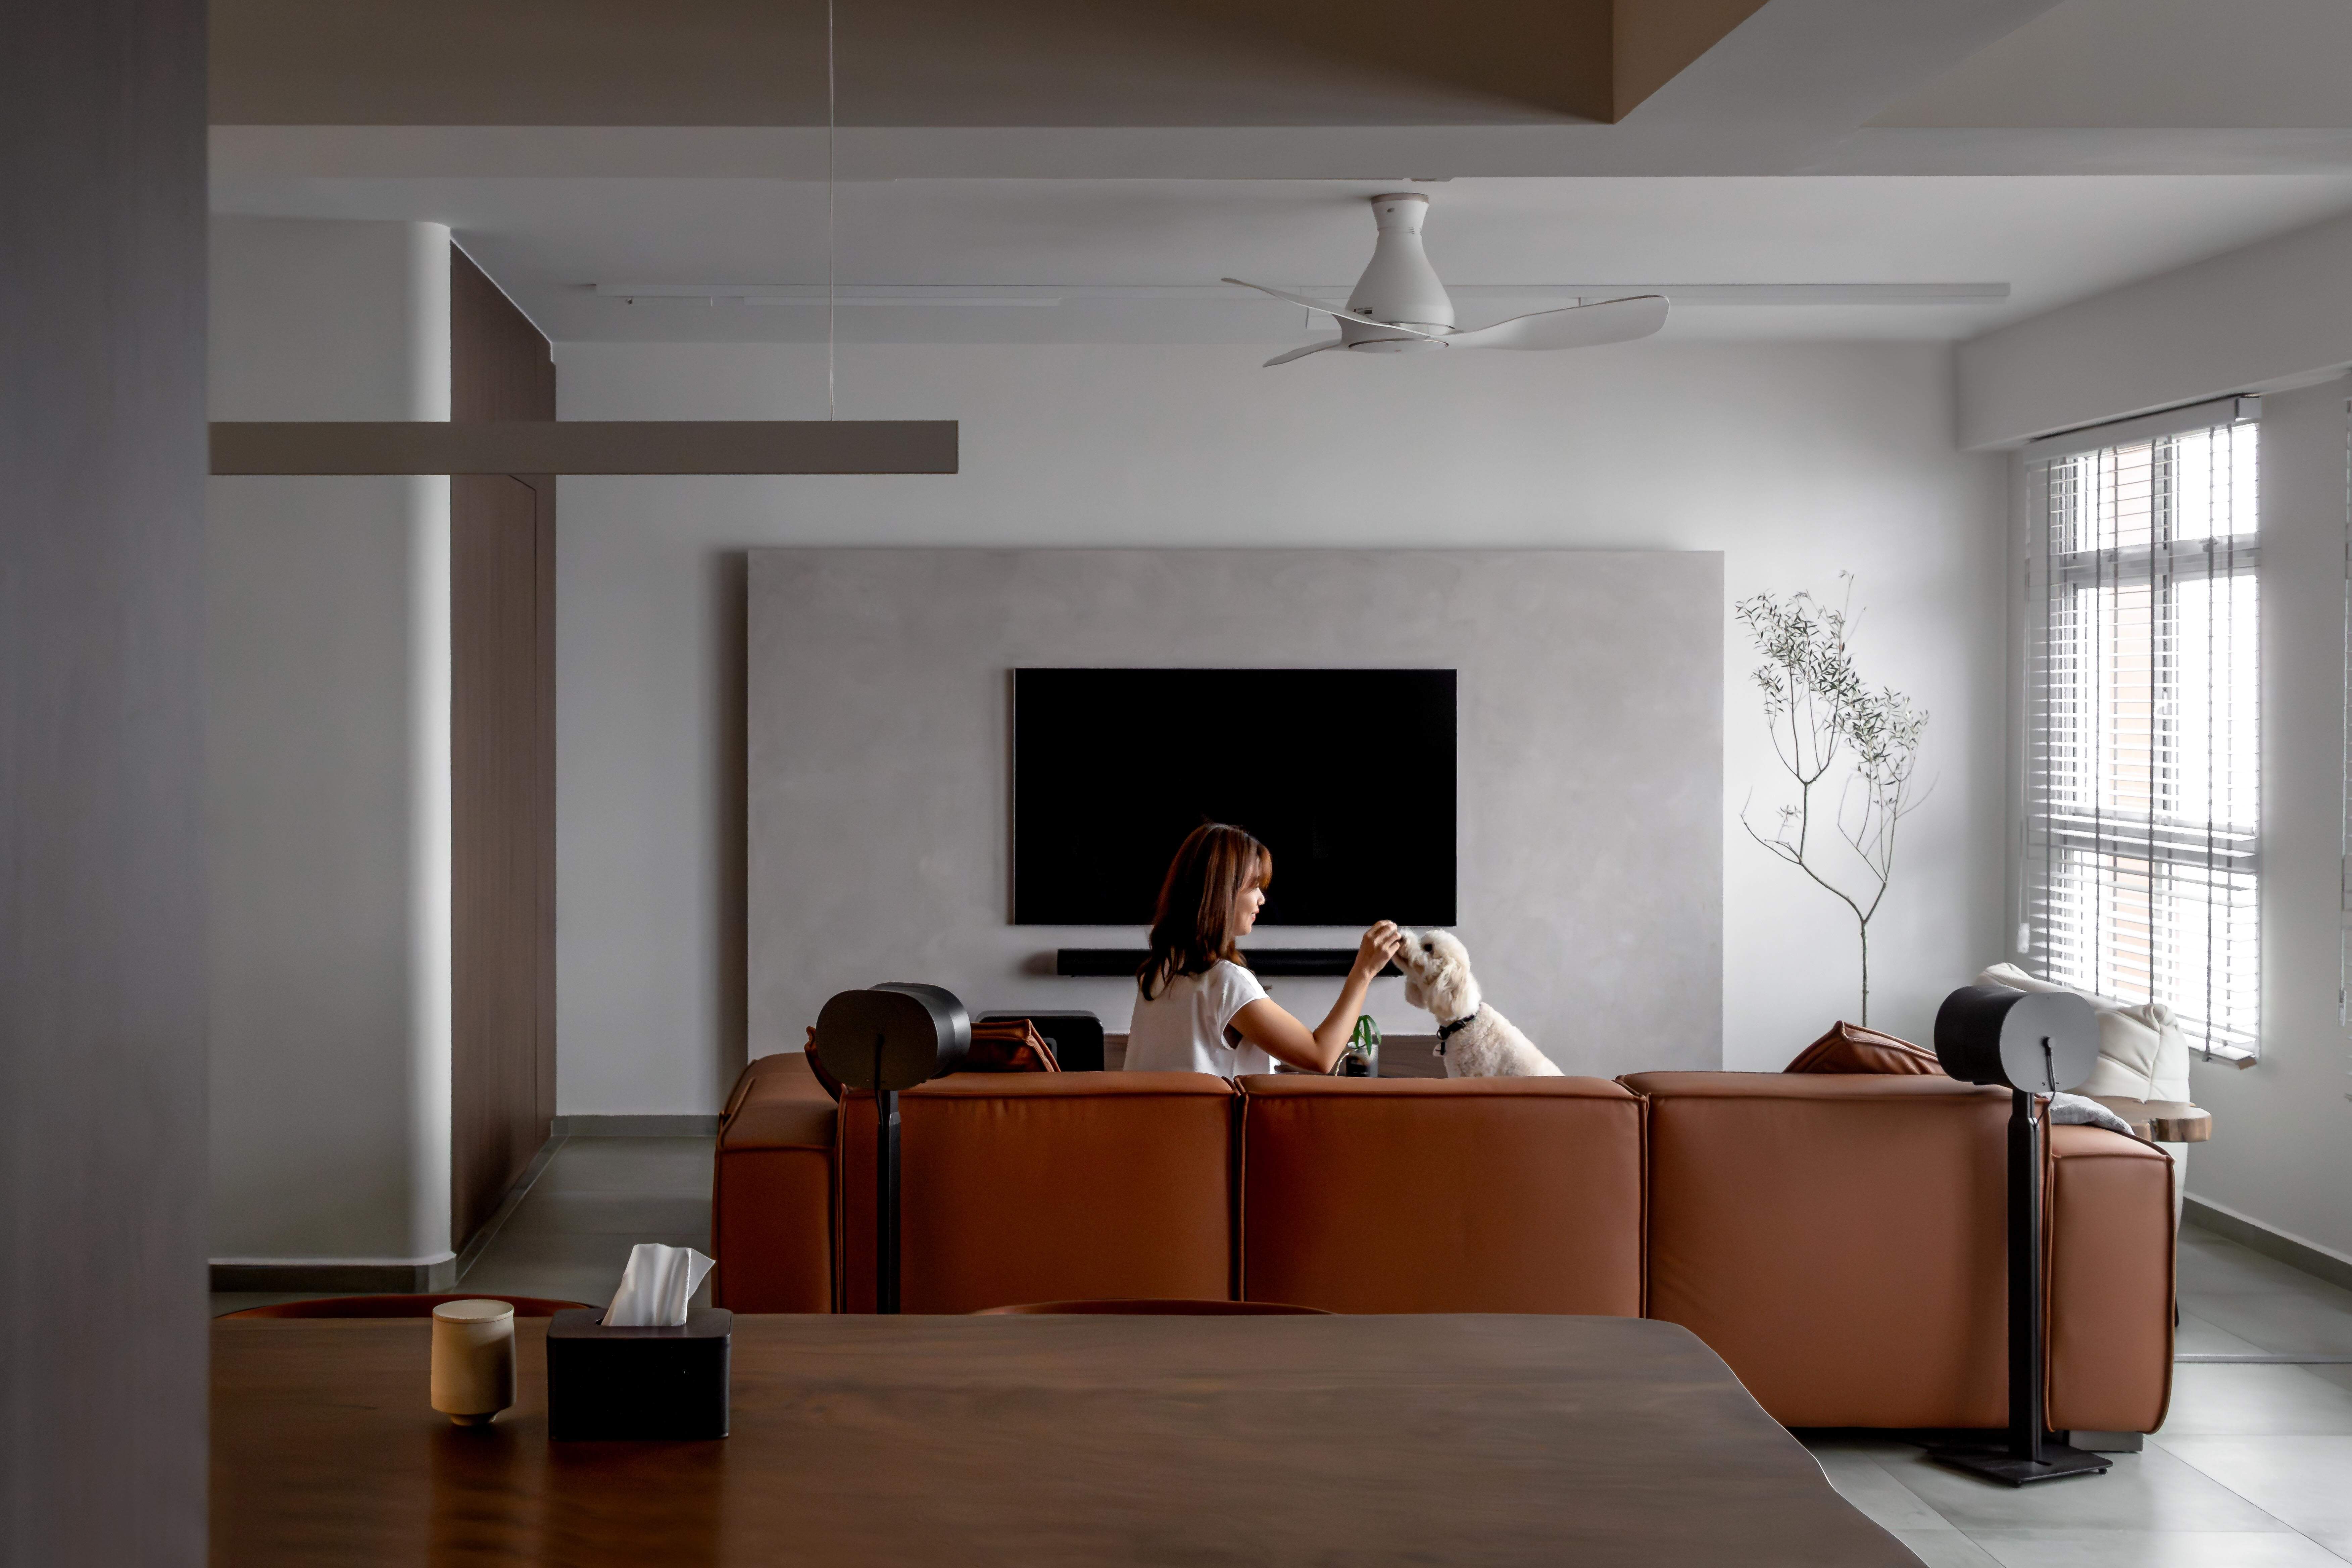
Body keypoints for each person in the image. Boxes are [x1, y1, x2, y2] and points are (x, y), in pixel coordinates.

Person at [1122, 822, 1401, 1076]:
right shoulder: (1224, 981)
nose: (1262, 899)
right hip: (1211, 1132)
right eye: (1254, 886)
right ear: (1223, 892)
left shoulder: (1160, 972)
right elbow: (1321, 1056)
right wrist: (1362, 973)